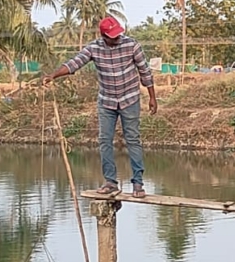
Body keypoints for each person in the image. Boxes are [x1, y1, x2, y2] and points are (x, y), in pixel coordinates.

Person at [43, 16, 158, 198]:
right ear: (104, 36)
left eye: (118, 34)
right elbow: (75, 63)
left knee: (133, 140)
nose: (117, 38)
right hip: (107, 101)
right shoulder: (94, 48)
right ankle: (111, 182)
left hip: (130, 99)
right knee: (105, 140)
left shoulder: (131, 45)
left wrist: (152, 97)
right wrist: (53, 75)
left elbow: (145, 71)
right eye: (112, 36)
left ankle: (138, 184)